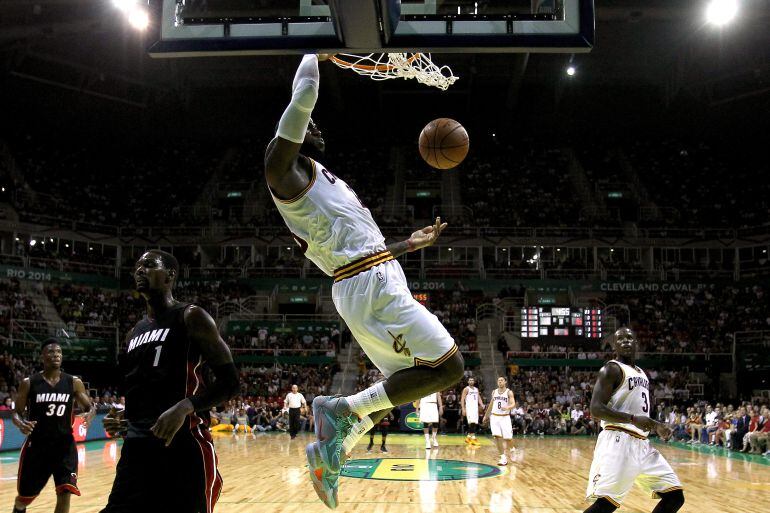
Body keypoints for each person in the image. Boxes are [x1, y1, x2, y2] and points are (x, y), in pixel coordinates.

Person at [265, 54, 463, 508]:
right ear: (290, 133)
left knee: (403, 381)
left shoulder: (319, 177)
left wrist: (407, 245)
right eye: (307, 123)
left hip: (364, 278)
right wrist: (316, 50)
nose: (315, 125)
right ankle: (340, 408)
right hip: (369, 284)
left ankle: (334, 450)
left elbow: (355, 249)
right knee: (449, 368)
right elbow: (304, 93)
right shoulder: (281, 171)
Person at [100, 250, 239, 513]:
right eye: (137, 266)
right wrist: (125, 418)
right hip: (137, 449)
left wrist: (186, 406)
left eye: (149, 265)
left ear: (170, 275)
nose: (140, 270)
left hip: (183, 446)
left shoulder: (191, 316)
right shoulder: (133, 333)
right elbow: (144, 389)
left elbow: (230, 383)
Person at [584, 327, 684, 513]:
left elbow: (638, 411)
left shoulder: (641, 373)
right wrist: (631, 419)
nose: (625, 341)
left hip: (642, 444)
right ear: (614, 345)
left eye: (629, 337)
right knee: (606, 504)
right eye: (620, 339)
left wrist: (656, 426)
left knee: (675, 496)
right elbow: (595, 409)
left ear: (636, 342)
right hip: (618, 440)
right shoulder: (611, 369)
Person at [11, 338, 94, 513]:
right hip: (37, 446)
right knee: (24, 498)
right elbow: (16, 412)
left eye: (59, 352)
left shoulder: (73, 382)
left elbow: (89, 406)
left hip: (65, 446)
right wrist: (21, 423)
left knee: (65, 491)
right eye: (51, 352)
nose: (56, 355)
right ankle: (19, 508)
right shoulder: (29, 382)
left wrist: (90, 414)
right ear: (42, 356)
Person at [482, 377, 516, 466]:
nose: (500, 382)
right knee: (497, 437)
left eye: (501, 380)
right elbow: (491, 404)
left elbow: (513, 403)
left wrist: (508, 407)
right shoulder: (494, 392)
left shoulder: (509, 392)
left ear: (505, 382)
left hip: (505, 417)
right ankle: (503, 457)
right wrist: (486, 415)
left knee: (508, 438)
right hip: (494, 417)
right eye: (498, 381)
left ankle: (512, 449)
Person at [461, 377, 484, 445]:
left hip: (475, 407)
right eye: (470, 380)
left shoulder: (476, 389)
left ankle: (468, 438)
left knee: (474, 423)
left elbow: (478, 397)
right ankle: (473, 438)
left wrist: (482, 404)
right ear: (468, 382)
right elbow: (462, 399)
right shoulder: (466, 389)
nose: (471, 381)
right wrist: (463, 408)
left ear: (474, 382)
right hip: (469, 407)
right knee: (472, 422)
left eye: (472, 380)